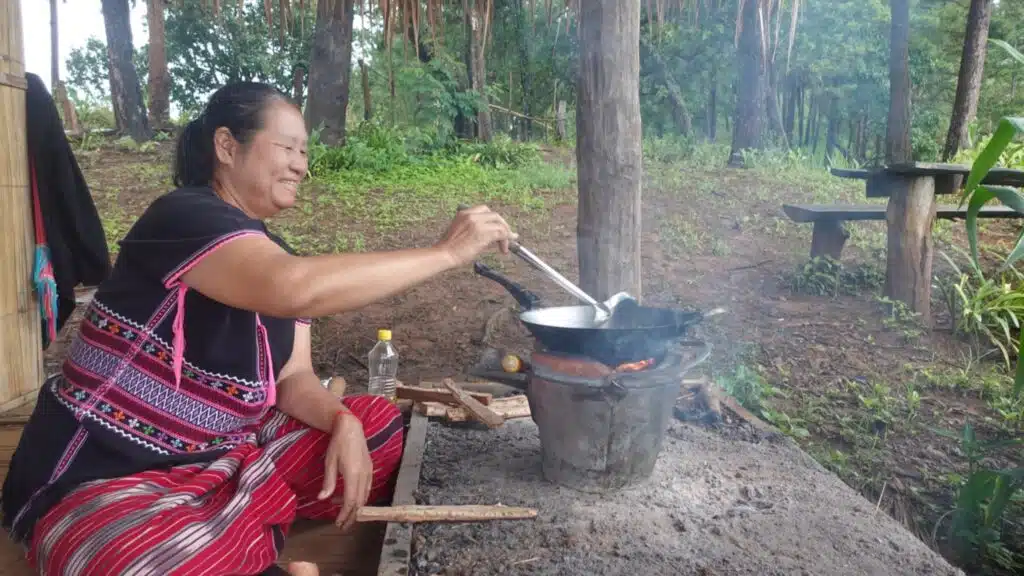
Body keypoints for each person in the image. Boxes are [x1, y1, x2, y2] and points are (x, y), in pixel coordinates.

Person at [0, 81, 516, 576]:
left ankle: (230, 530)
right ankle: (229, 539)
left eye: (305, 153)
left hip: (221, 457)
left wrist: (341, 420)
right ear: (226, 145)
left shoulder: (277, 256)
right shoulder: (182, 217)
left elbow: (294, 379)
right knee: (131, 559)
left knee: (376, 428)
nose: (301, 165)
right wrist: (445, 253)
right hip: (110, 470)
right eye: (288, 147)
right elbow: (293, 288)